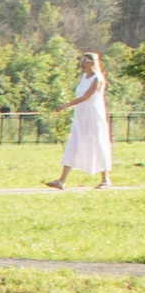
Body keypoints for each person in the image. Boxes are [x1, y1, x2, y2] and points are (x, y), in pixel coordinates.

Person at [49, 48, 115, 190]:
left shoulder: (97, 78)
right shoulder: (83, 78)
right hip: (81, 116)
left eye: (86, 61)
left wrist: (65, 105)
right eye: (82, 60)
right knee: (73, 143)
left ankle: (105, 179)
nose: (82, 63)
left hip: (93, 116)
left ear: (92, 63)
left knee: (97, 143)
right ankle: (61, 180)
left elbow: (86, 97)